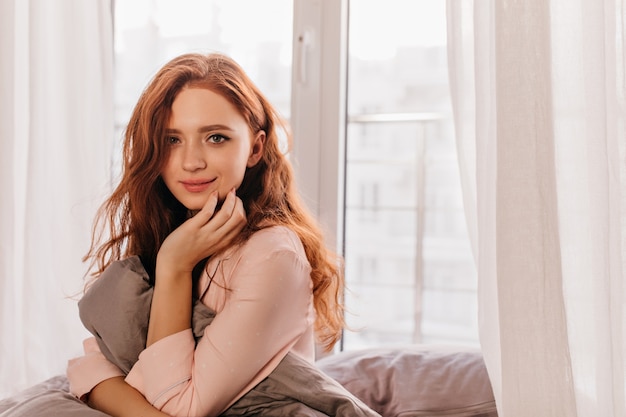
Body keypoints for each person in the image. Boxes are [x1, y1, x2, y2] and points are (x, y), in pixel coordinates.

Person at [67, 52, 346, 417]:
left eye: (215, 138)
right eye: (172, 140)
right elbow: (92, 365)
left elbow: (178, 406)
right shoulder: (176, 230)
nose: (191, 162)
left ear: (256, 148)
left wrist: (174, 268)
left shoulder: (272, 255)